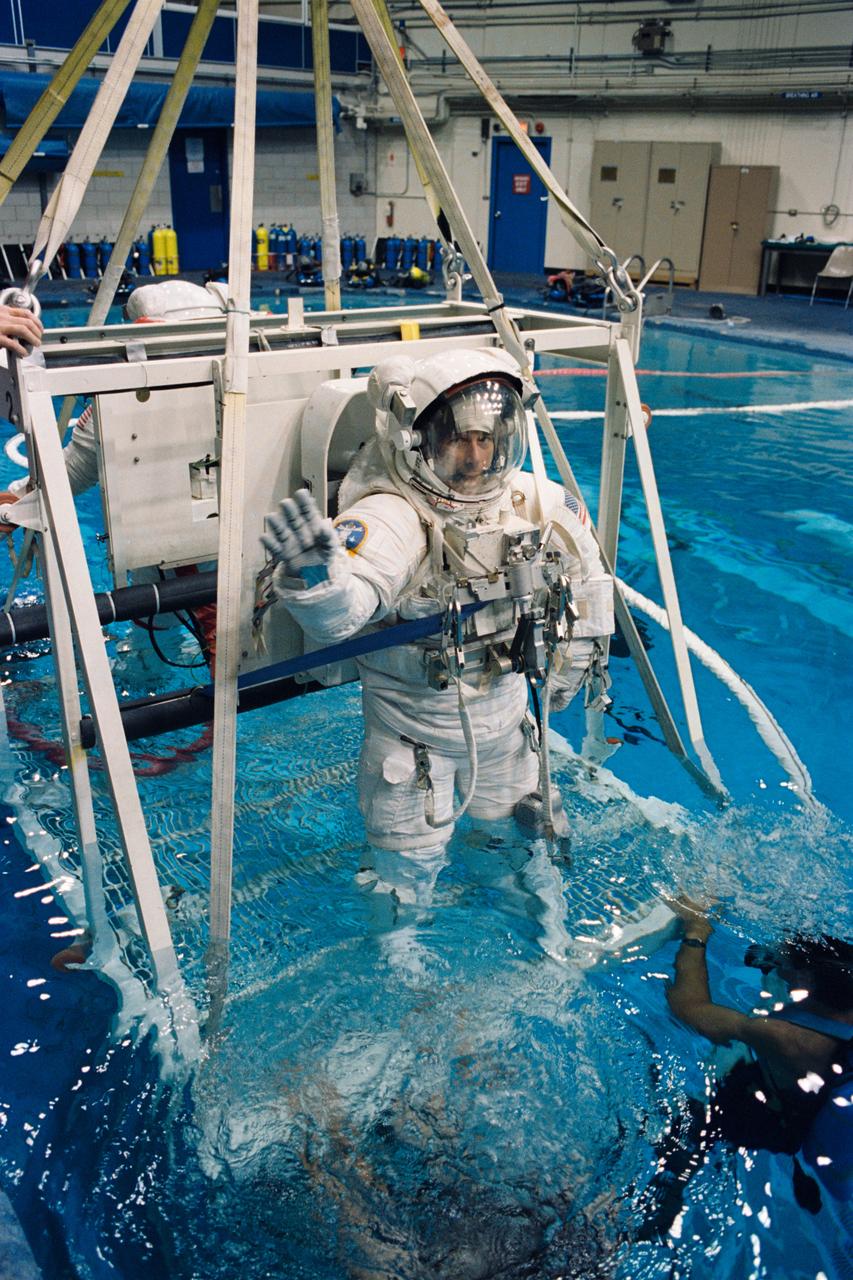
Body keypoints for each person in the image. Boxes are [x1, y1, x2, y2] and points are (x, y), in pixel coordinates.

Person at [261, 346, 613, 908]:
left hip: (506, 732)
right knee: (401, 883)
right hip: (413, 741)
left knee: (512, 853)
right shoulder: (393, 514)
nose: (475, 459)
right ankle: (402, 978)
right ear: (418, 443)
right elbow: (348, 611)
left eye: (486, 439)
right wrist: (316, 576)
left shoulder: (534, 503)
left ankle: (530, 935)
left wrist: (568, 674)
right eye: (458, 440)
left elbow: (591, 583)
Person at [637, 898, 853, 1236]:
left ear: (803, 980)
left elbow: (688, 1008)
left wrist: (697, 928)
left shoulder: (789, 1040)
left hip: (782, 1123)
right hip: (822, 1101)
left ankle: (657, 1206)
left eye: (784, 963)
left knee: (691, 1117)